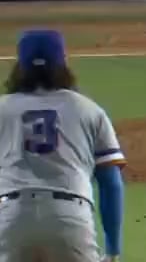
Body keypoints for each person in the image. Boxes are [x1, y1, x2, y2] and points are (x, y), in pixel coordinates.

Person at [0, 29, 126, 262]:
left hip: (12, 218)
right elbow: (111, 185)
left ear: (20, 67)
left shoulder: (2, 109)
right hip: (70, 219)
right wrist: (113, 249)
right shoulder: (88, 109)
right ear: (63, 64)